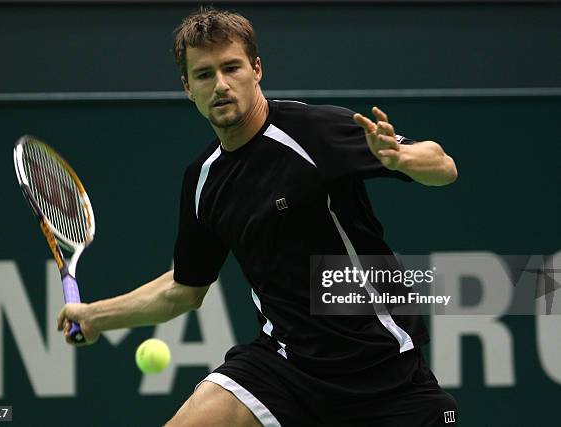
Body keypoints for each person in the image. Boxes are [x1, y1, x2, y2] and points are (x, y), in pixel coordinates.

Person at [57, 7, 458, 427]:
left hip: (380, 371)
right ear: (187, 88)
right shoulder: (203, 181)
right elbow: (184, 290)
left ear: (257, 69)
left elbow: (444, 166)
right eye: (205, 74)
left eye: (232, 68)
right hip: (282, 368)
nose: (221, 85)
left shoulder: (312, 133)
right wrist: (96, 316)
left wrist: (401, 157)